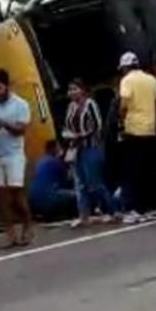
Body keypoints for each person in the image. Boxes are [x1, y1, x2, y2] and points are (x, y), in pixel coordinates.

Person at [0, 68, 33, 247]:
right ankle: (10, 231)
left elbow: (20, 130)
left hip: (14, 153)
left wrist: (3, 123)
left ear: (7, 86)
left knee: (16, 193)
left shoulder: (20, 104)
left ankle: (27, 224)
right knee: (0, 196)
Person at [63, 78, 118, 227]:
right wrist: (69, 136)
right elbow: (67, 126)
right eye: (70, 90)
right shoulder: (71, 107)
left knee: (94, 182)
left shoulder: (90, 105)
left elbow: (98, 126)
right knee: (80, 183)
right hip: (76, 148)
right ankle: (83, 215)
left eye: (75, 89)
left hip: (91, 146)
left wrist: (82, 135)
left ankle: (111, 210)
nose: (72, 92)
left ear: (83, 90)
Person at [117, 52, 156, 223]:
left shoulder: (127, 81)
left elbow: (123, 105)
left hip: (134, 131)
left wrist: (121, 121)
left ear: (126, 67)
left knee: (134, 172)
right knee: (152, 171)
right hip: (150, 131)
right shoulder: (151, 79)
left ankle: (136, 209)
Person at [28, 140, 77, 222]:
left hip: (34, 201)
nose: (60, 150)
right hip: (49, 198)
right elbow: (68, 180)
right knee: (77, 195)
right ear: (53, 149)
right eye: (58, 148)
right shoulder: (55, 162)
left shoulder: (40, 161)